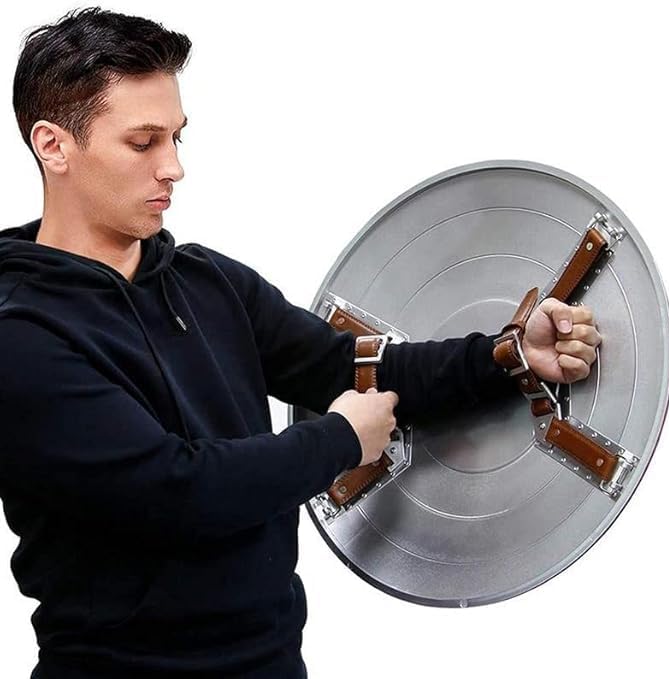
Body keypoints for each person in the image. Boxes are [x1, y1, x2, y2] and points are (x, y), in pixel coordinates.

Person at [0, 7, 602, 679]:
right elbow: (177, 494)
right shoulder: (20, 335)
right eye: (143, 143)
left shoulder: (207, 281)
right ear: (54, 146)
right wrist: (339, 440)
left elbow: (352, 369)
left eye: (177, 136)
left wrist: (508, 355)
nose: (174, 167)